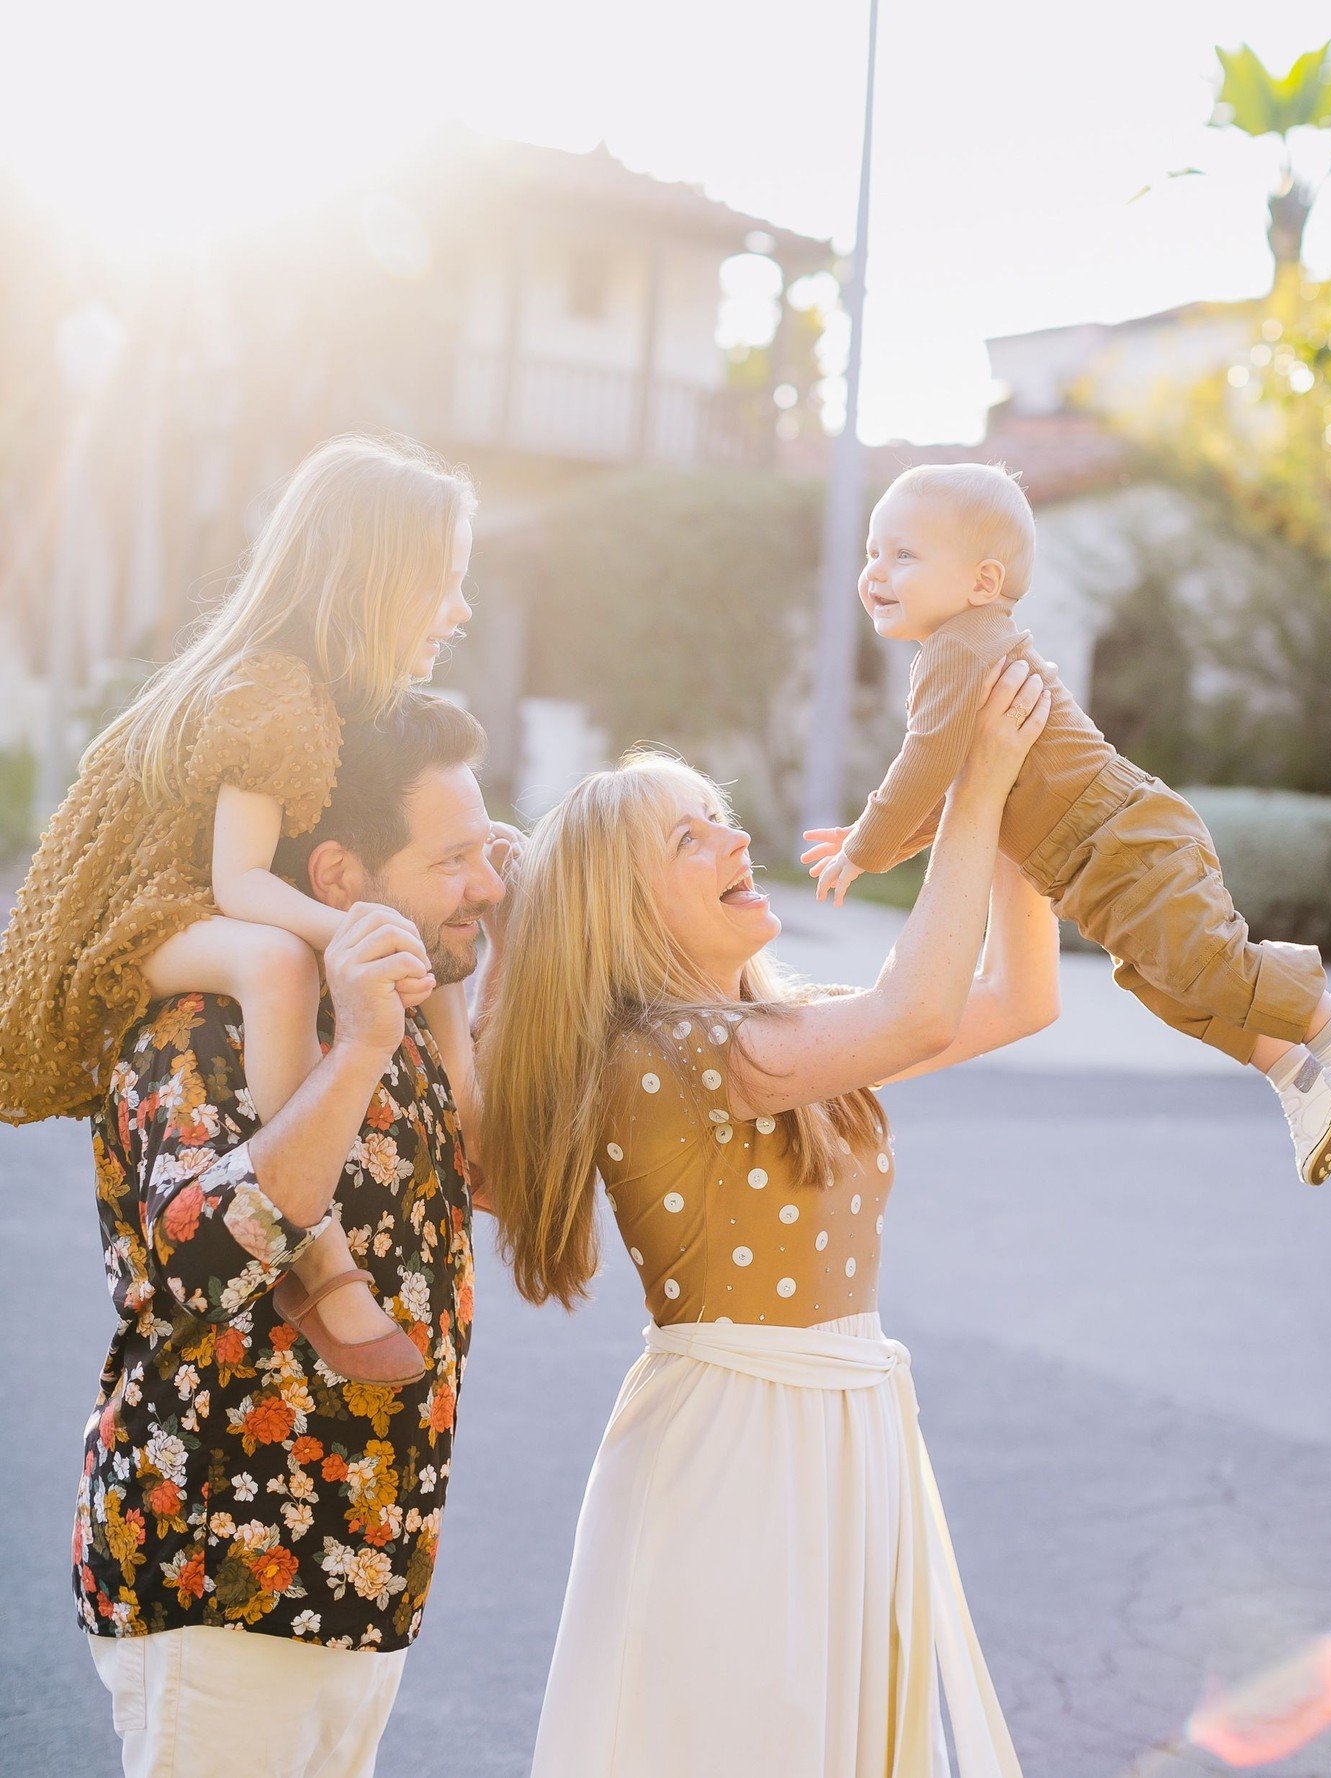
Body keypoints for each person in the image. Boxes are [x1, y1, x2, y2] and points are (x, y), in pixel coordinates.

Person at [481, 659, 1055, 1777]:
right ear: (624, 909)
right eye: (687, 838)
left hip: (850, 1426)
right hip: (733, 1442)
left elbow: (1016, 998)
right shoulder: (660, 1055)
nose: (734, 839)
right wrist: (976, 786)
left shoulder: (775, 1028)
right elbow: (919, 1010)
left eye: (720, 816)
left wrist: (1013, 814)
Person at [75, 690, 508, 1778]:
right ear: (339, 879)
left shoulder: (405, 1015)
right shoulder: (202, 1024)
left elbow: (497, 1178)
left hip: (368, 1570)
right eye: (453, 859)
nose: (488, 885)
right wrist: (356, 1049)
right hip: (223, 1578)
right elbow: (202, 1260)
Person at [0, 433, 477, 1380]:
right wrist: (354, 929)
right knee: (277, 961)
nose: (461, 611)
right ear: (373, 579)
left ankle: (342, 1230)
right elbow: (239, 885)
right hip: (121, 919)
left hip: (168, 900)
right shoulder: (277, 691)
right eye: (444, 584)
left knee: (325, 941)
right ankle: (320, 1262)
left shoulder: (319, 691)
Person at [809, 462, 1331, 1187]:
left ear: (982, 582)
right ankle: (1299, 1078)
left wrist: (867, 845)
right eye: (873, 552)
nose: (876, 572)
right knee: (1168, 985)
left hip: (1120, 838)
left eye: (903, 554)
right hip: (1091, 861)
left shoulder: (959, 648)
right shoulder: (960, 651)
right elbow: (956, 788)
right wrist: (877, 843)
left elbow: (924, 764)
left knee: (1203, 965)